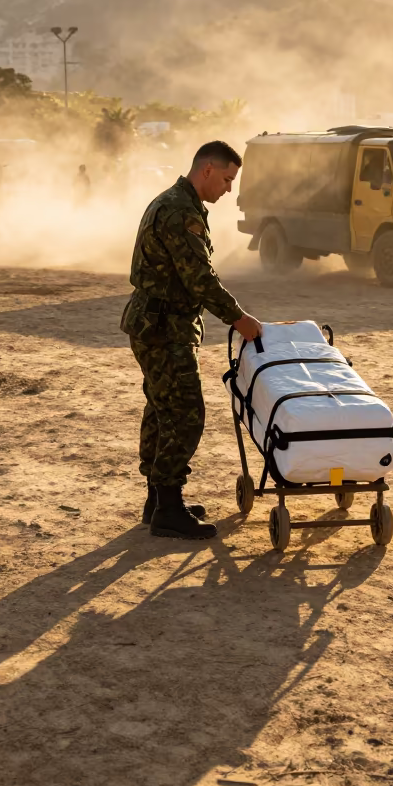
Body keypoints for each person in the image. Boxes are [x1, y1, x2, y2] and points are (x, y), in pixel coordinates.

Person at [121, 140, 262, 540]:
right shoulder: (181, 211)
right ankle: (168, 508)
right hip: (164, 328)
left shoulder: (174, 201)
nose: (229, 189)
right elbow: (199, 278)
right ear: (207, 170)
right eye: (227, 179)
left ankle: (158, 501)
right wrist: (239, 318)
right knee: (185, 414)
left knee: (162, 409)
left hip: (155, 323)